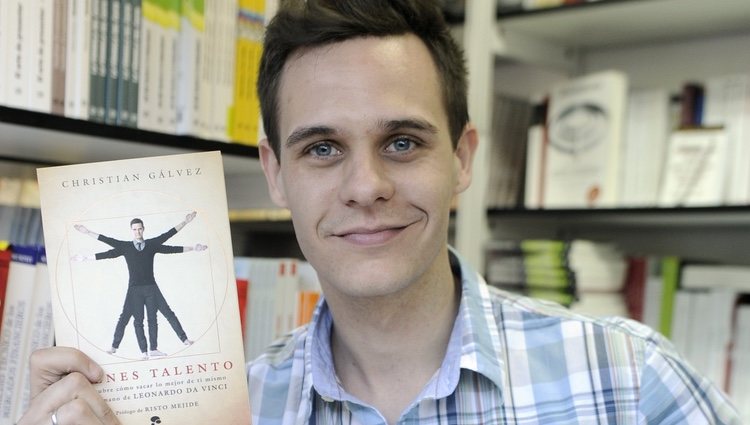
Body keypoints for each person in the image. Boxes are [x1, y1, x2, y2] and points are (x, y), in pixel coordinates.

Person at [19, 1, 741, 424]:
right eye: (323, 148)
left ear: (461, 157)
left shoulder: (629, 379)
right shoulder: (229, 412)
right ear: (276, 173)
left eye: (401, 141)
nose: (366, 186)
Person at [72, 212, 204, 359]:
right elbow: (107, 246)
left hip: (151, 287)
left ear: (143, 229)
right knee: (133, 319)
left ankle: (180, 341)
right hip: (134, 289)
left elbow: (170, 242)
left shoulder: (152, 245)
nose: (137, 231)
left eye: (139, 229)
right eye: (134, 229)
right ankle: (132, 349)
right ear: (131, 230)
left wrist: (186, 227)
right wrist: (87, 239)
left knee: (165, 314)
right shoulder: (125, 247)